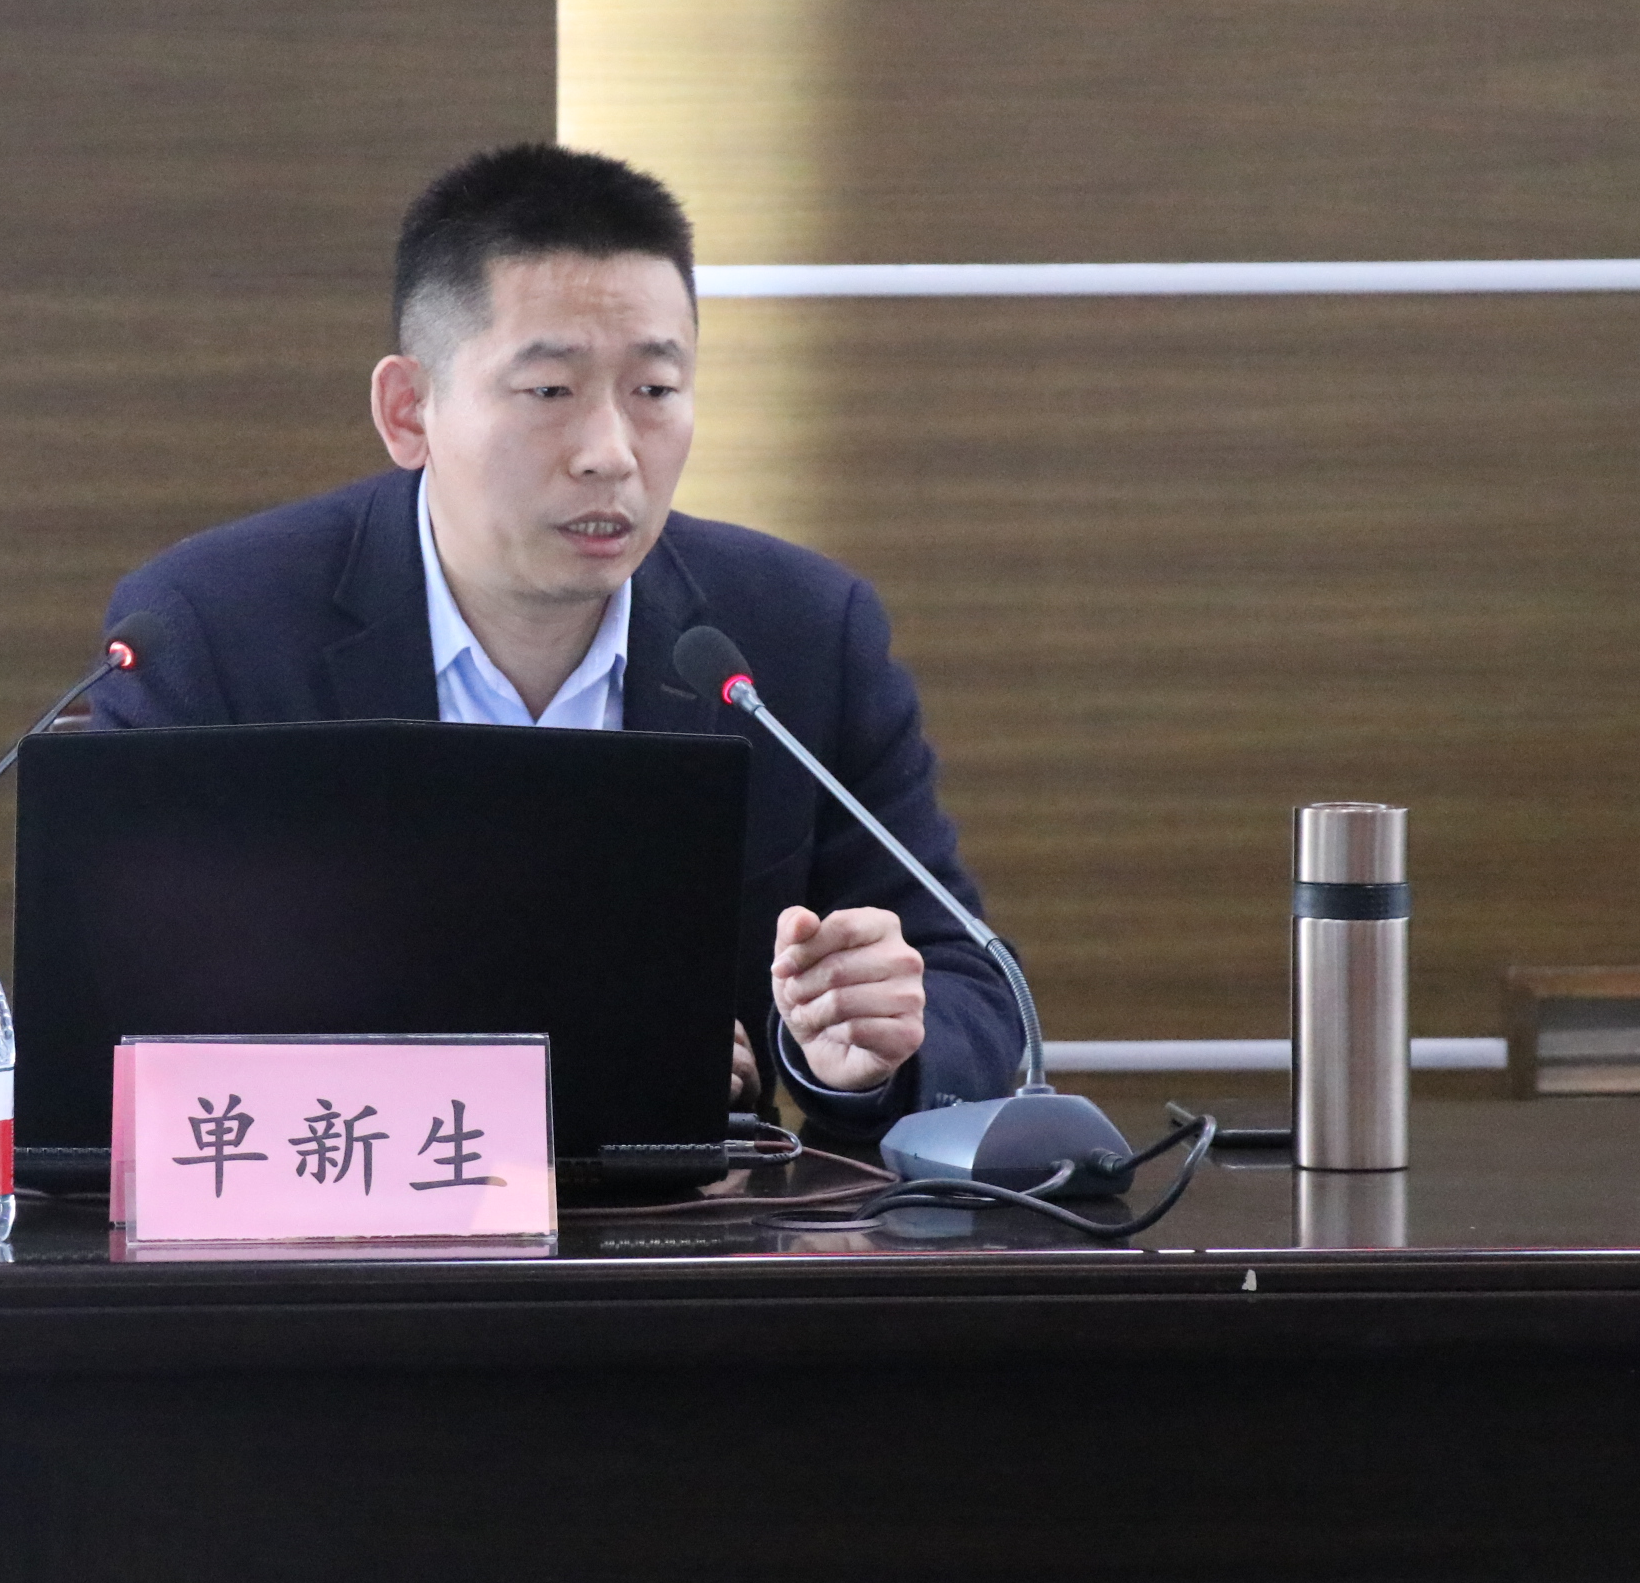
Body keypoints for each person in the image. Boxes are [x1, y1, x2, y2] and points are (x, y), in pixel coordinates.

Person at [90, 143, 1018, 1135]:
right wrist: (557, 1072)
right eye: (549, 391)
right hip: (330, 1215)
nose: (609, 454)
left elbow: (970, 987)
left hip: (688, 1226)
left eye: (654, 391)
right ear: (409, 411)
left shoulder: (797, 634)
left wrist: (855, 1053)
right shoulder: (211, 633)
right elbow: (115, 1024)